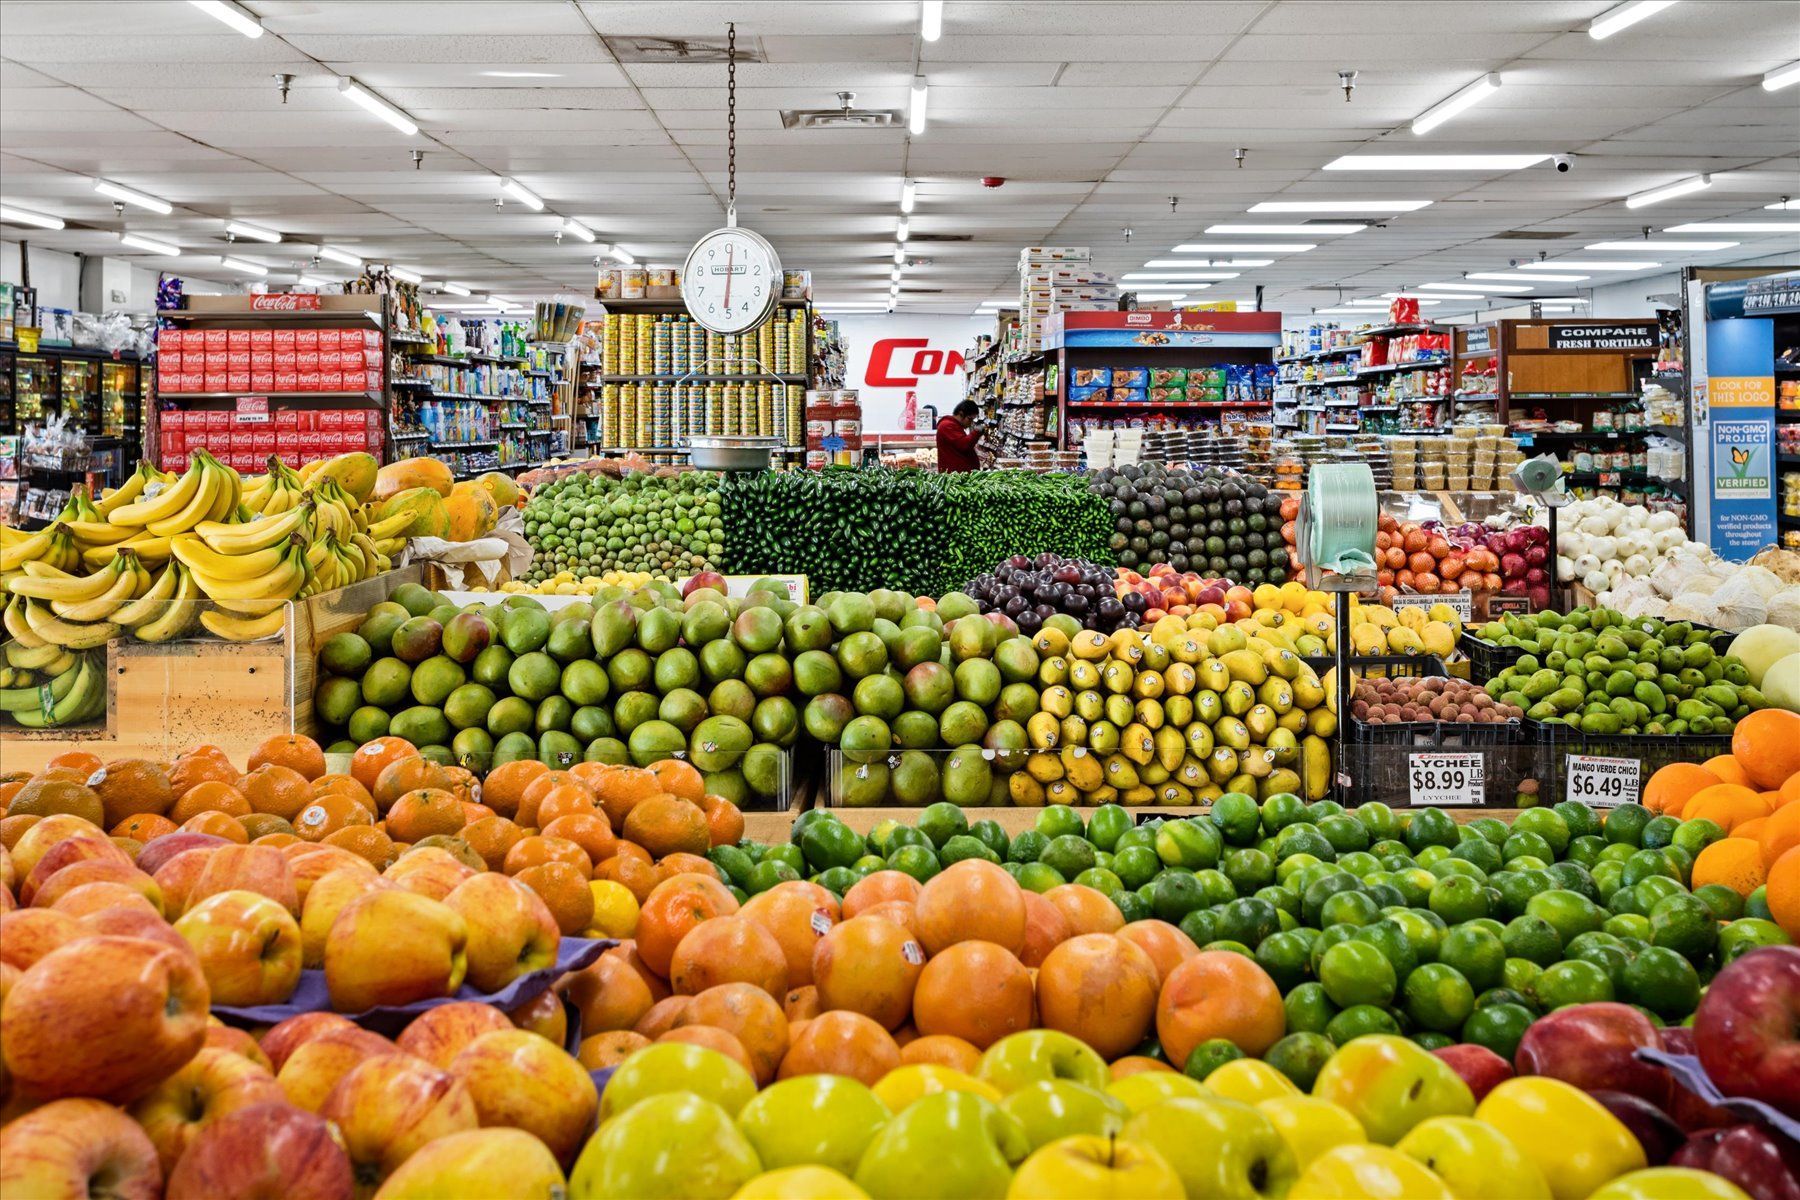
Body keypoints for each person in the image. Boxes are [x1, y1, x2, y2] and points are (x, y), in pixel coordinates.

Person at [936, 400, 985, 472]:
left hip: (959, 474)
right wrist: (976, 432)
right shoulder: (947, 426)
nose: (971, 423)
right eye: (969, 419)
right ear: (961, 414)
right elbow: (964, 445)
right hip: (955, 476)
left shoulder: (954, 425)